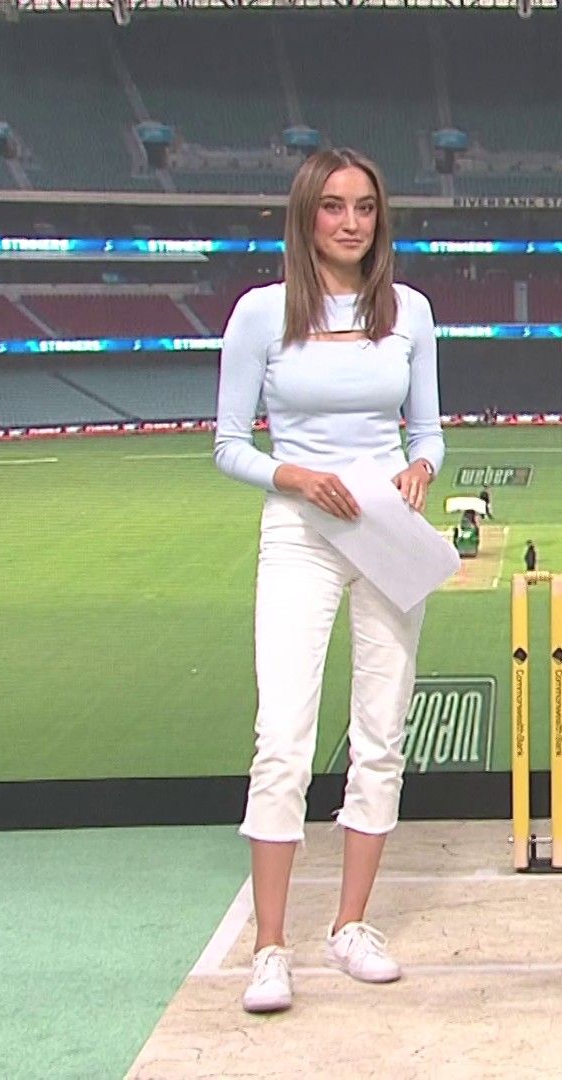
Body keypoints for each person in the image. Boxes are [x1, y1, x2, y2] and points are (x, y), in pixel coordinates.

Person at [213, 148, 444, 1015]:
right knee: (283, 735)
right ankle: (271, 948)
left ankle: (351, 926)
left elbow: (428, 430)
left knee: (380, 732)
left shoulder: (410, 311)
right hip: (301, 530)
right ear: (306, 215)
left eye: (366, 207)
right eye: (334, 206)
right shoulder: (261, 313)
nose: (352, 223)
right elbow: (228, 444)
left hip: (386, 527)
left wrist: (421, 467)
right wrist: (298, 477)